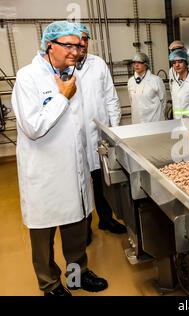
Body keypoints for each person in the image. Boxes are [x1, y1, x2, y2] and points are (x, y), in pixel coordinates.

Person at [11, 21, 108, 296]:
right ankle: (50, 284)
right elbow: (33, 128)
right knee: (43, 236)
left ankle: (78, 276)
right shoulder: (28, 77)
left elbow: (77, 126)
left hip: (74, 169)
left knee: (76, 230)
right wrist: (62, 98)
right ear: (49, 44)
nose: (76, 51)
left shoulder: (69, 75)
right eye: (69, 44)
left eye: (79, 45)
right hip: (44, 173)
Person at [75, 23, 126, 242]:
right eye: (78, 39)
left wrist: (112, 131)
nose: (82, 43)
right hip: (75, 138)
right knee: (78, 184)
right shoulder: (61, 68)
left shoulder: (98, 64)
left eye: (86, 39)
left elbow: (111, 98)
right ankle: (82, 227)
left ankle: (105, 219)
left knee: (102, 182)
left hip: (99, 135)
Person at [127, 52, 166, 124]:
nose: (136, 65)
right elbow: (132, 101)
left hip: (155, 121)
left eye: (139, 62)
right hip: (137, 122)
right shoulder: (130, 81)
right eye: (134, 63)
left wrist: (159, 116)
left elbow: (163, 101)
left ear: (146, 64)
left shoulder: (156, 80)